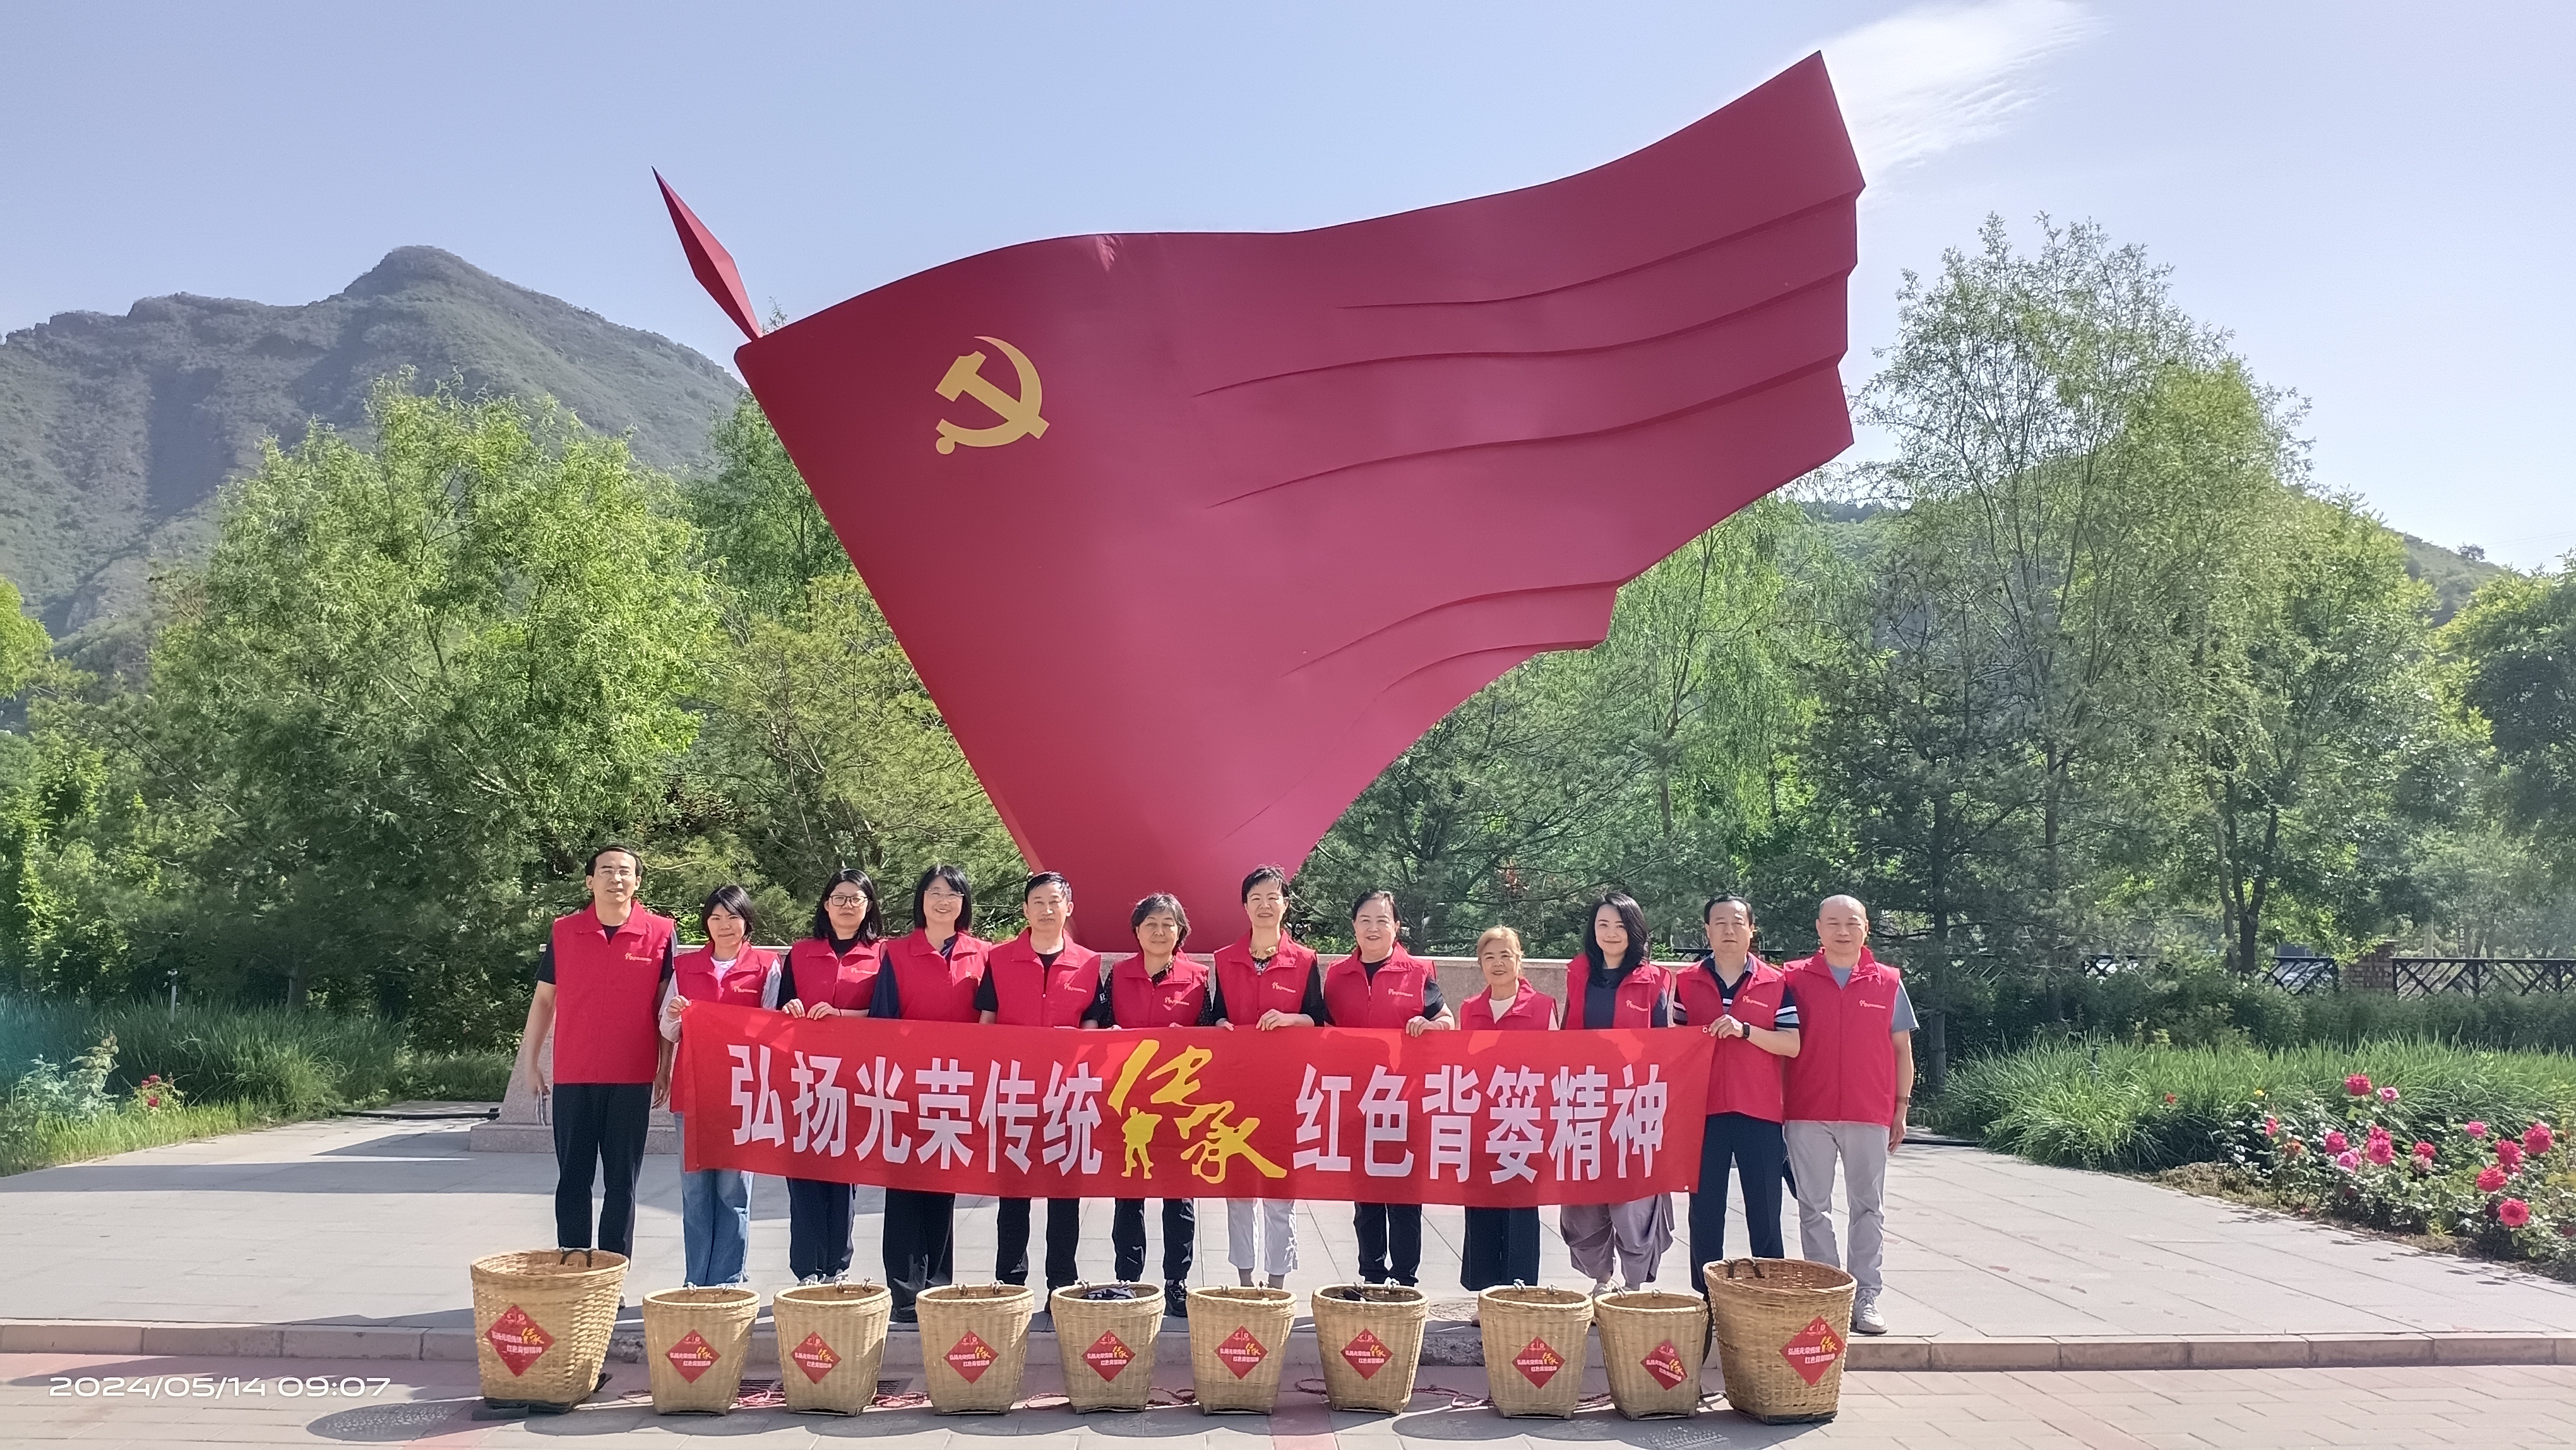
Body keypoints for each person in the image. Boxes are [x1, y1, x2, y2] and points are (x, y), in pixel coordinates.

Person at [517, 843, 676, 1261]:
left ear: (637, 881)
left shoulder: (660, 933)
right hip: (575, 1074)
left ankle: (612, 1272)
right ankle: (573, 1267)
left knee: (622, 1183)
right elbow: (544, 1001)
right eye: (606, 870)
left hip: (632, 1075)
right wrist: (531, 1064)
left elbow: (667, 1007)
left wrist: (665, 1066)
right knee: (573, 1177)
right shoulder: (565, 931)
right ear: (590, 881)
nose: (615, 878)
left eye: (624, 871)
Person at [1780, 894, 1916, 1336]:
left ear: (1866, 928)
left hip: (1868, 1110)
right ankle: (1826, 1295)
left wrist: (1901, 1107)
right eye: (1833, 923)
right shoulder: (1794, 978)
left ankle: (1866, 1296)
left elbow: (1902, 1050)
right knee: (1812, 1207)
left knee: (1868, 1208)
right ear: (1819, 928)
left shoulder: (1888, 982)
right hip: (1807, 1109)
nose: (1843, 931)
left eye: (1852, 923)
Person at [870, 863, 992, 1322]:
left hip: (958, 1087)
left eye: (953, 894)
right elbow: (883, 1020)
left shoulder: (984, 955)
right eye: (935, 892)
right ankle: (904, 1292)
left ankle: (938, 1287)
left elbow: (991, 1021)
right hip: (906, 1085)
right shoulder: (897, 952)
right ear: (921, 900)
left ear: (964, 903)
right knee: (904, 1186)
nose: (944, 901)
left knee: (943, 1186)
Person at [975, 870, 1098, 1315]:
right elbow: (986, 1022)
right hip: (1014, 1091)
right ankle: (1010, 1283)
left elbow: (1093, 1023)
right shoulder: (1000, 958)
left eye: (1055, 901)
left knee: (1065, 1195)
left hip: (1067, 1095)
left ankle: (1061, 1285)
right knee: (1013, 1194)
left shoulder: (1088, 963)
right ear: (1026, 910)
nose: (1047, 909)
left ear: (1069, 908)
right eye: (1039, 902)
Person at [1320, 889, 1455, 1286]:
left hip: (1404, 1099)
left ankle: (1406, 1279)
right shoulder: (1337, 976)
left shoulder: (1417, 972)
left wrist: (1431, 1025)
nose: (1373, 928)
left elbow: (1448, 1021)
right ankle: (1373, 1275)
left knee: (1404, 1194)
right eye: (1365, 920)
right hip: (1356, 1101)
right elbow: (1325, 1031)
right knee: (1366, 1195)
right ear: (1354, 926)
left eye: (1382, 920)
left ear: (1396, 927)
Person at [1086, 892, 1211, 1318]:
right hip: (1131, 1103)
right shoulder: (1119, 975)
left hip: (1179, 1104)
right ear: (1137, 931)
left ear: (1181, 931)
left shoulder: (1198, 978)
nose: (1160, 932)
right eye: (1151, 924)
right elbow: (1101, 1028)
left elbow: (1210, 1036)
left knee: (1179, 1196)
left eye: (1168, 924)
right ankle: (1128, 1278)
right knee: (1129, 1194)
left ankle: (1177, 1281)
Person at [1206, 864, 1330, 1289]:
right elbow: (1216, 1013)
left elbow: (1318, 1019)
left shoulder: (1305, 960)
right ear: (1244, 906)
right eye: (1255, 898)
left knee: (1280, 1188)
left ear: (1285, 904)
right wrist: (1220, 1024)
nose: (1264, 905)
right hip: (1234, 1091)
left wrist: (1291, 1019)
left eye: (1272, 897)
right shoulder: (1224, 960)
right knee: (1239, 1191)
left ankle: (1277, 1284)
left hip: (1284, 1091)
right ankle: (1244, 1280)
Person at [655, 885, 784, 1288]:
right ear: (706, 923)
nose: (724, 925)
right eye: (715, 917)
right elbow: (668, 1030)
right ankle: (696, 1279)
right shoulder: (686, 967)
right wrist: (675, 1015)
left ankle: (729, 1279)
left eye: (732, 917)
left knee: (733, 1192)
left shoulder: (766, 966)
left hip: (743, 1094)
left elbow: (773, 1028)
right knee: (695, 1192)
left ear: (747, 922)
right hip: (693, 1093)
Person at [1672, 895, 1799, 1296]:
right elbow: (1674, 1042)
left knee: (1765, 1211)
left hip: (1759, 1110)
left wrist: (1745, 1031)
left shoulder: (1776, 982)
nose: (1729, 930)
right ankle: (1707, 1298)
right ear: (1707, 930)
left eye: (1738, 922)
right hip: (1703, 1111)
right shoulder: (1686, 982)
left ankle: (1769, 1296)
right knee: (1705, 1212)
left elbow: (1792, 1044)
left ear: (1751, 929)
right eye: (1720, 923)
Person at [1559, 892, 1678, 1293]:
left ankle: (1634, 1285)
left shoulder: (1654, 979)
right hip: (1584, 1100)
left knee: (1633, 1198)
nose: (1611, 933)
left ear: (1635, 931)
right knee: (1584, 1196)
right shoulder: (1578, 974)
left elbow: (1662, 1045)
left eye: (1620, 926)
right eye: (1603, 925)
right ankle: (1600, 1279)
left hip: (1633, 1103)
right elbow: (1566, 1034)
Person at [780, 870, 884, 1285]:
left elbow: (886, 1015)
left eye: (856, 898)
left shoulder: (882, 955)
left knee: (843, 1176)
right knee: (802, 1172)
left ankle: (838, 1267)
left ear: (869, 906)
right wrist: (789, 1009)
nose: (846, 905)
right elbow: (780, 1006)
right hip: (803, 1078)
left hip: (854, 1079)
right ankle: (806, 1268)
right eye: (839, 898)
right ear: (825, 905)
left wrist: (842, 1016)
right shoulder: (801, 953)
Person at [1455, 925, 1554, 1292]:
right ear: (1480, 963)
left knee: (1521, 1210)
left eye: (1505, 956)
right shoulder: (1470, 1009)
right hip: (1482, 1122)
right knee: (1482, 1203)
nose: (1498, 964)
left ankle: (1518, 1292)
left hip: (1525, 1121)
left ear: (1519, 959)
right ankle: (1484, 1292)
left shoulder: (1543, 1007)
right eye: (1489, 957)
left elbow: (1556, 1064)